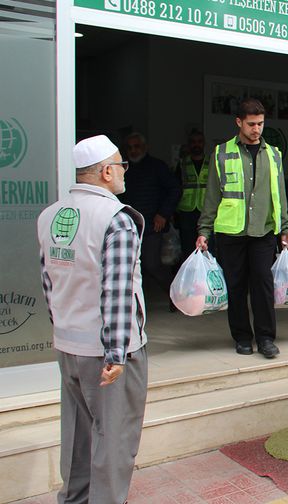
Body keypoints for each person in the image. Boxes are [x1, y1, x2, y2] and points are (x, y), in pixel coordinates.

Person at [37, 135, 148, 504]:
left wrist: (62, 329)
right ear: (106, 172)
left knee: (77, 434)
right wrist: (117, 353)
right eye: (121, 165)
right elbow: (117, 290)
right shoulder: (116, 219)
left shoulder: (50, 216)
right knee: (114, 440)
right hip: (108, 352)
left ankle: (73, 499)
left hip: (68, 344)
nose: (124, 171)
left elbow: (48, 282)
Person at [196, 98, 288, 358]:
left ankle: (266, 338)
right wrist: (204, 231)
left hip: (263, 231)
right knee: (236, 286)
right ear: (239, 122)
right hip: (231, 232)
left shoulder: (273, 154)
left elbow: (279, 195)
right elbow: (212, 196)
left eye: (260, 123)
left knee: (263, 284)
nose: (256, 129)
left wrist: (286, 228)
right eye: (251, 124)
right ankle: (242, 337)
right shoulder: (221, 152)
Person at [119, 132, 181, 298]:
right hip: (129, 225)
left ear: (145, 147)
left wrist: (163, 214)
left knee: (152, 264)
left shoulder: (157, 166)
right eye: (129, 148)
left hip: (153, 225)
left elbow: (175, 189)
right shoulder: (123, 169)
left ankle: (176, 296)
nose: (133, 150)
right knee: (130, 266)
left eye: (137, 146)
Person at [175, 130, 211, 259]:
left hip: (206, 210)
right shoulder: (182, 163)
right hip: (186, 211)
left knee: (207, 246)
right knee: (188, 248)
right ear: (189, 144)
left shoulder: (212, 162)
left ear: (204, 143)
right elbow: (176, 187)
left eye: (199, 142)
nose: (196, 145)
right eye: (193, 142)